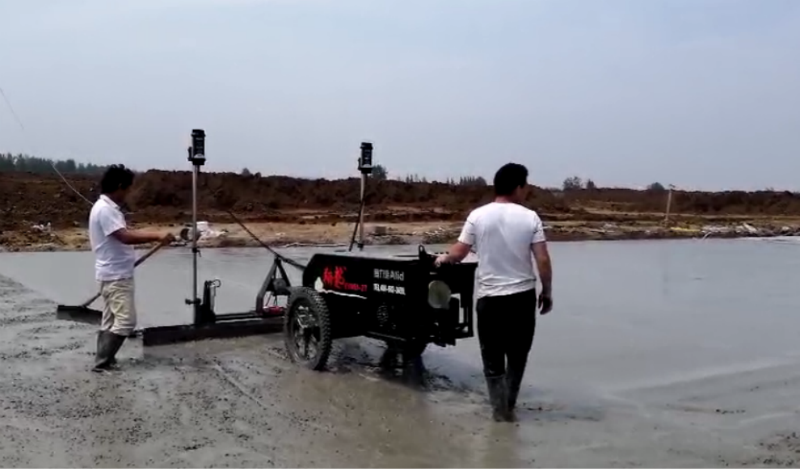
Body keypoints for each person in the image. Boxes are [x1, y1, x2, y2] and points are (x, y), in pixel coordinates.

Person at [435, 162, 553, 422]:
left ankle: (500, 414)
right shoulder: (530, 217)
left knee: (492, 359)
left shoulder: (478, 216)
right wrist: (547, 292)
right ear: (518, 187)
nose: (527, 190)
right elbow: (543, 259)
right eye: (526, 185)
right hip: (522, 298)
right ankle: (509, 406)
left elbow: (459, 252)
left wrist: (444, 258)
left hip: (490, 300)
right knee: (518, 356)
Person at [88, 164, 173, 372]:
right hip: (116, 276)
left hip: (111, 273)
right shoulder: (105, 210)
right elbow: (124, 236)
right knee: (126, 321)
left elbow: (122, 233)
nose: (128, 193)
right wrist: (156, 235)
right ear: (119, 186)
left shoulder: (106, 208)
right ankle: (103, 362)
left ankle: (104, 360)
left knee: (109, 321)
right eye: (128, 188)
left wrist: (153, 235)